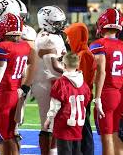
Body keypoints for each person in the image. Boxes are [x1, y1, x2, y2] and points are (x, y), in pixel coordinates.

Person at [0, 13, 35, 155]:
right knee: (11, 134)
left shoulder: (3, 47)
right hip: (16, 94)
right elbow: (26, 69)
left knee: (3, 137)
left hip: (3, 96)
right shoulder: (24, 46)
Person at [33, 5, 67, 155]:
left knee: (55, 124)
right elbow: (55, 67)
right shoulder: (47, 39)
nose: (61, 26)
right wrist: (73, 73)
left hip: (52, 82)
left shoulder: (53, 36)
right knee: (48, 124)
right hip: (47, 84)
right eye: (57, 23)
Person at [89, 8, 123, 155]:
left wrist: (97, 98)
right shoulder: (121, 44)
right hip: (121, 92)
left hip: (107, 93)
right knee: (117, 134)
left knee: (107, 136)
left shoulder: (99, 44)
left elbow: (101, 71)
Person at [43, 52, 91, 155]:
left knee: (65, 152)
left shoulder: (61, 83)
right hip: (78, 125)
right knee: (76, 151)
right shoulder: (84, 84)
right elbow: (85, 103)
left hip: (64, 124)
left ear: (63, 65)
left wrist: (48, 119)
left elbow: (55, 105)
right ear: (78, 65)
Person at [64, 23, 96, 155]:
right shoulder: (81, 53)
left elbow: (80, 80)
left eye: (70, 36)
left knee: (84, 130)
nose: (67, 40)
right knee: (80, 129)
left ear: (77, 36)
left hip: (82, 98)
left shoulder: (84, 55)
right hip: (81, 97)